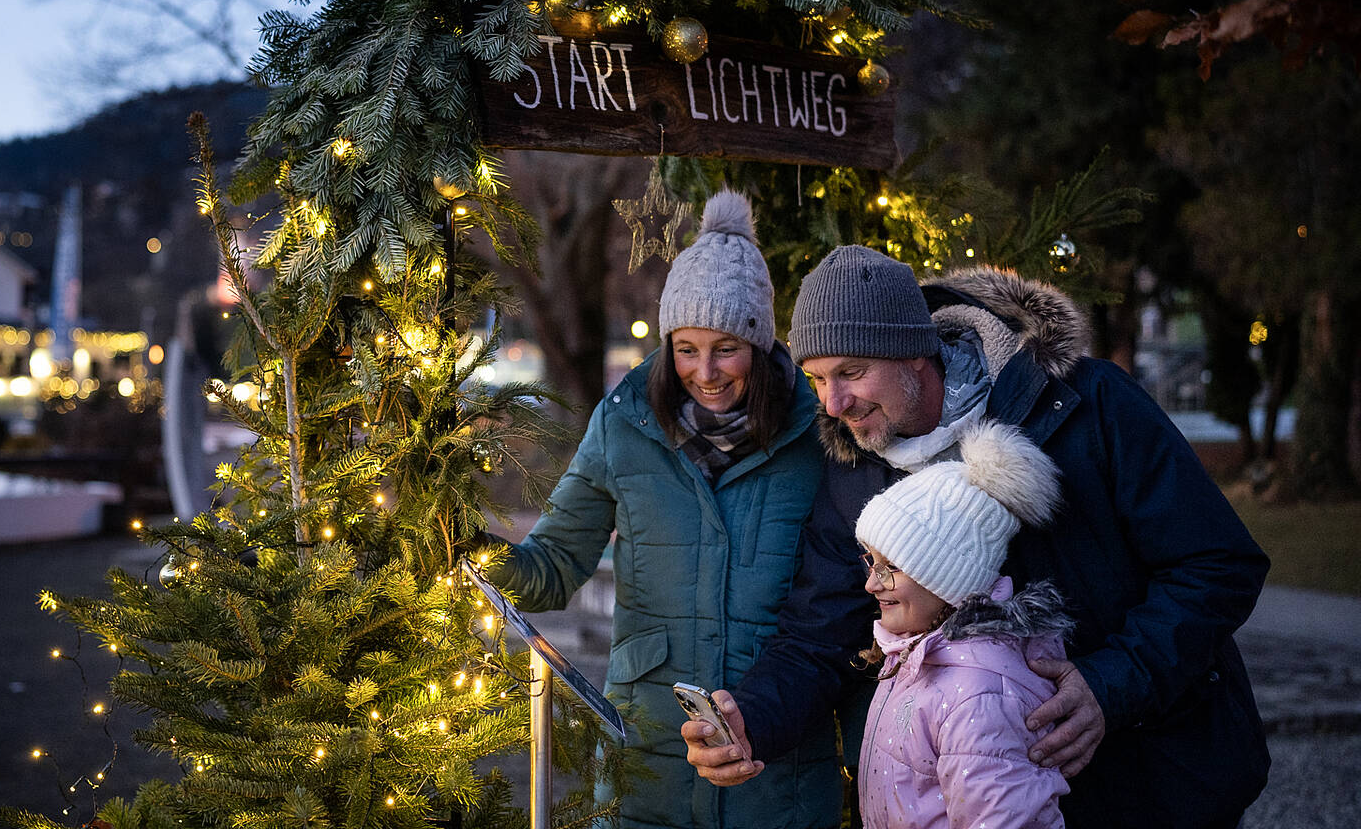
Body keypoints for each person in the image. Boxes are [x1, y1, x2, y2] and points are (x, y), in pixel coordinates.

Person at [681, 246, 1270, 828]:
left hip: (1153, 781)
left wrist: (1110, 684)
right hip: (981, 803)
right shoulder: (857, 467)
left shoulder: (1085, 404)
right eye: (816, 379)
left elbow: (1217, 563)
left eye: (852, 372)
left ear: (915, 356)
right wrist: (751, 718)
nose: (834, 404)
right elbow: (818, 634)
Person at [481, 190, 845, 829]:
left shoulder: (818, 434)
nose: (704, 372)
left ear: (759, 343)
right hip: (648, 763)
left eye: (726, 348)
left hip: (777, 773)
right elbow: (556, 565)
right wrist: (472, 549)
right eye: (685, 348)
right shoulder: (625, 425)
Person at [852, 419, 1072, 829]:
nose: (870, 583)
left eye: (891, 567)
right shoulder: (913, 653)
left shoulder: (979, 695)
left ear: (948, 578)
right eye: (871, 562)